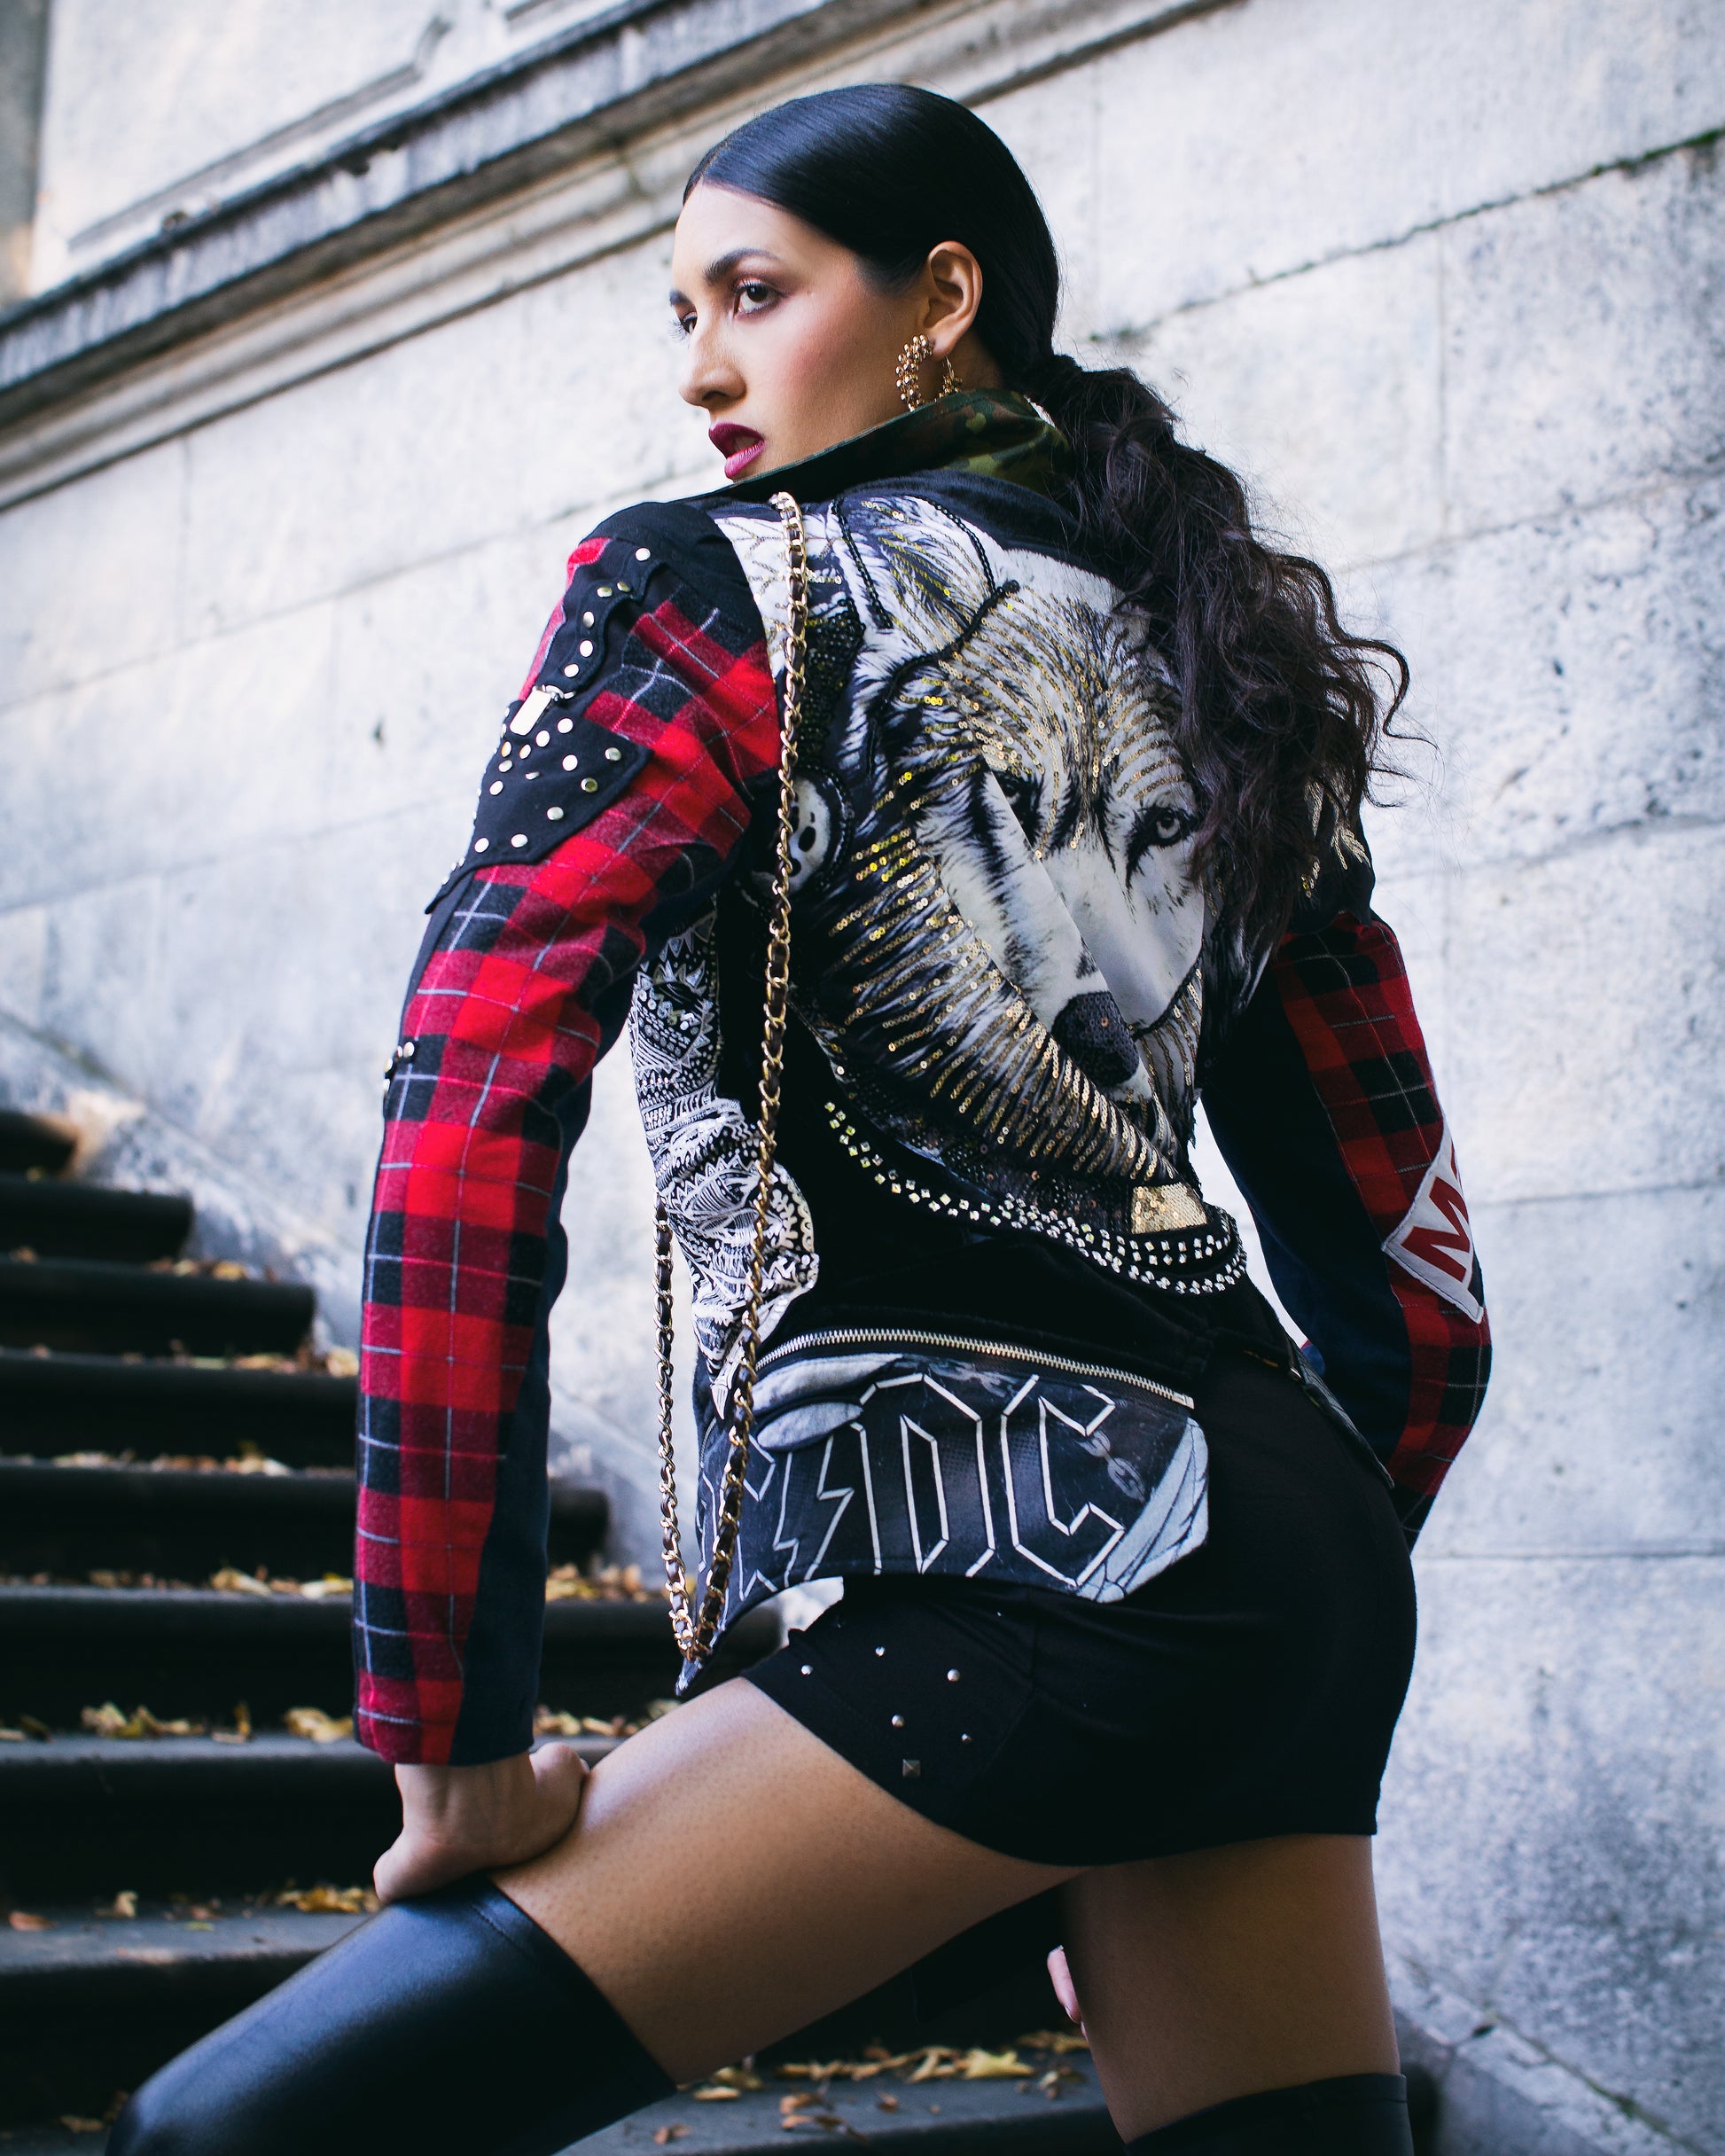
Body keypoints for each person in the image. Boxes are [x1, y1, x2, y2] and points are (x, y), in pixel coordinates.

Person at [111, 82, 1490, 2156]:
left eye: (751, 295)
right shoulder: (1222, 659)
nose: (699, 370)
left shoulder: (701, 591)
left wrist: (450, 1718)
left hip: (1033, 1586)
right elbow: (1416, 1288)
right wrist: (1220, 1673)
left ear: (942, 298)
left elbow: (467, 1118)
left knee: (227, 2136)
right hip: (1283, 1561)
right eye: (682, 312)